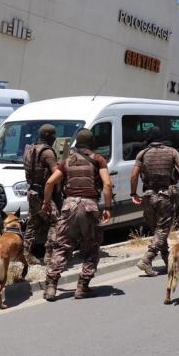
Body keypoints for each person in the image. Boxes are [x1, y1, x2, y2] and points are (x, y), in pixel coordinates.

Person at [42, 129, 113, 301]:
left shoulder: (66, 161)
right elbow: (107, 184)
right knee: (91, 247)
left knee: (62, 246)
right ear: (92, 143)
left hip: (69, 206)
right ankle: (82, 286)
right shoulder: (98, 159)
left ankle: (51, 286)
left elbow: (51, 181)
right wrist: (108, 207)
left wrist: (46, 203)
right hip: (89, 206)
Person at [130, 126, 179, 276]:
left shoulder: (142, 153)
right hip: (165, 196)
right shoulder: (172, 151)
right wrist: (174, 178)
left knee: (158, 230)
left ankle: (168, 261)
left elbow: (134, 176)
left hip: (148, 196)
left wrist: (133, 193)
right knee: (162, 230)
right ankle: (147, 259)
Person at [22, 124, 60, 264]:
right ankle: (50, 256)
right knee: (56, 222)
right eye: (54, 135)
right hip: (44, 193)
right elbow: (56, 173)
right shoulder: (47, 152)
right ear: (50, 136)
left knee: (33, 222)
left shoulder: (29, 149)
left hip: (32, 191)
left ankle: (25, 254)